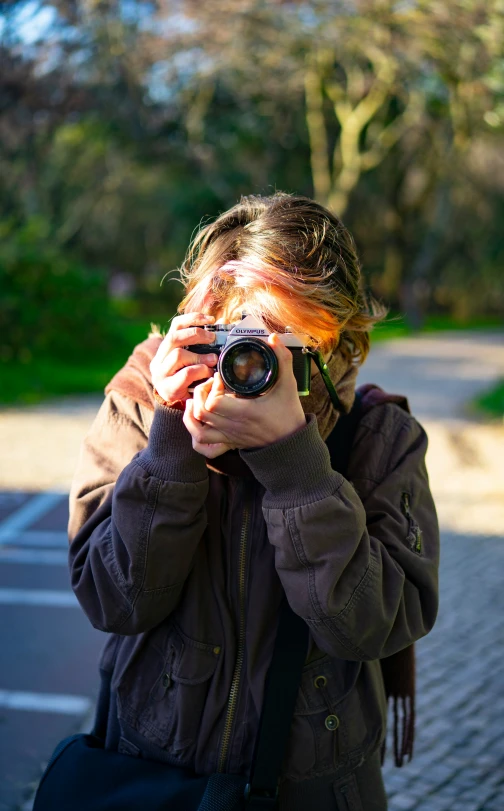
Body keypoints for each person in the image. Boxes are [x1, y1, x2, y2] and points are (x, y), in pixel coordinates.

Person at [68, 193, 439, 811]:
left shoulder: (378, 438)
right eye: (233, 335)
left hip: (312, 788)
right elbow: (113, 599)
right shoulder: (143, 401)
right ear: (198, 320)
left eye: (280, 342)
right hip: (151, 777)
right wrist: (171, 445)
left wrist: (295, 464)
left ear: (337, 341)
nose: (248, 363)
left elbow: (376, 623)